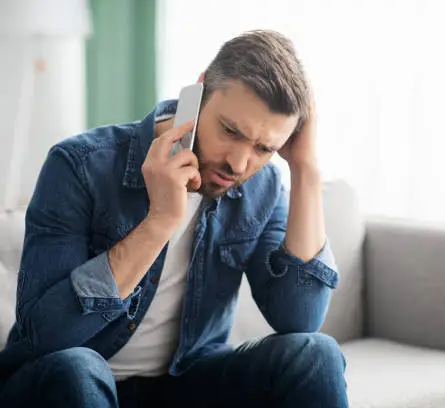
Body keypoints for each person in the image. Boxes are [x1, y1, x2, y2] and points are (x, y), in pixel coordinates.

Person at [0, 30, 347, 408]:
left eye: (265, 148)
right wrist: (159, 223)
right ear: (196, 95)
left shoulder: (261, 186)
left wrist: (305, 170)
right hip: (69, 384)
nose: (239, 163)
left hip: (187, 383)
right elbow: (45, 337)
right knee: (76, 368)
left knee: (316, 354)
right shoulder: (79, 166)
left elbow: (299, 318)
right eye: (230, 131)